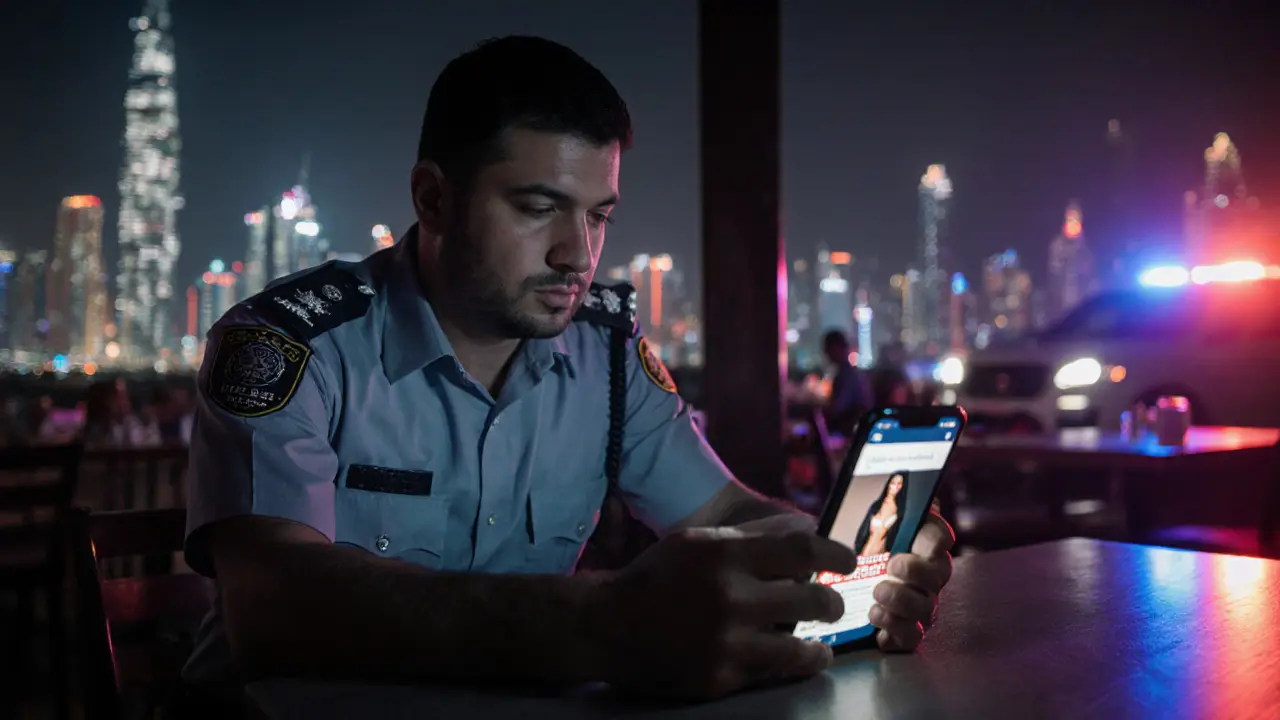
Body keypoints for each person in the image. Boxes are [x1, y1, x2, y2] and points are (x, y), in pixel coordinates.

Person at [182, 36, 955, 703]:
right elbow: (272, 606)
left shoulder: (607, 356)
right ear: (433, 198)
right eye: (537, 207)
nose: (576, 255)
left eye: (598, 215)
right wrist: (602, 624)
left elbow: (730, 511)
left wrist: (851, 560)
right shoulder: (290, 347)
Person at [821, 329, 873, 435]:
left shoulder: (847, 376)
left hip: (850, 434)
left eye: (828, 348)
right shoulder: (849, 373)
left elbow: (837, 408)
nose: (826, 353)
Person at [855, 472, 908, 557]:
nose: (896, 487)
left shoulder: (901, 511)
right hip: (864, 553)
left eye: (899, 484)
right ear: (888, 484)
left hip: (882, 557)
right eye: (893, 483)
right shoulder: (876, 506)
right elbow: (862, 532)